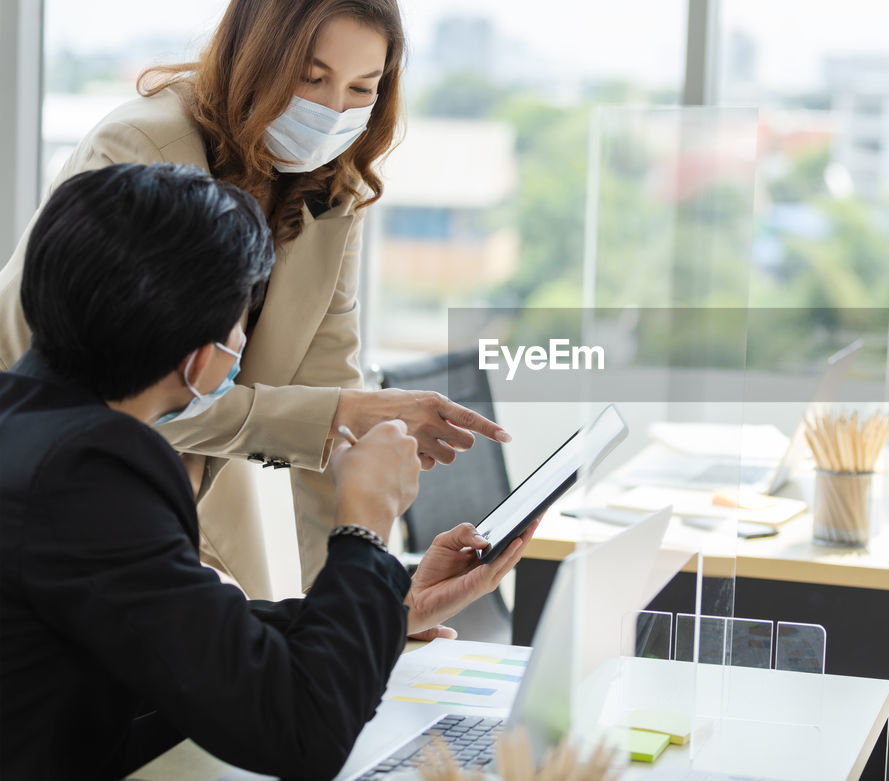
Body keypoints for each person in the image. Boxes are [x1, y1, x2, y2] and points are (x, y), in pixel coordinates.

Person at [0, 0, 505, 598]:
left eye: (362, 88)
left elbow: (333, 432)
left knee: (257, 676)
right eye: (312, 76)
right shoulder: (144, 148)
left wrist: (366, 618)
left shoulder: (335, 191)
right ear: (257, 53)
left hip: (176, 489)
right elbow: (140, 391)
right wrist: (340, 413)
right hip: (47, 479)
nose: (331, 111)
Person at [0, 163, 534, 780]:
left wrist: (391, 607)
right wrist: (365, 522)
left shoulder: (30, 433)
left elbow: (182, 634)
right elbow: (302, 733)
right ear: (204, 357)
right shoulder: (92, 473)